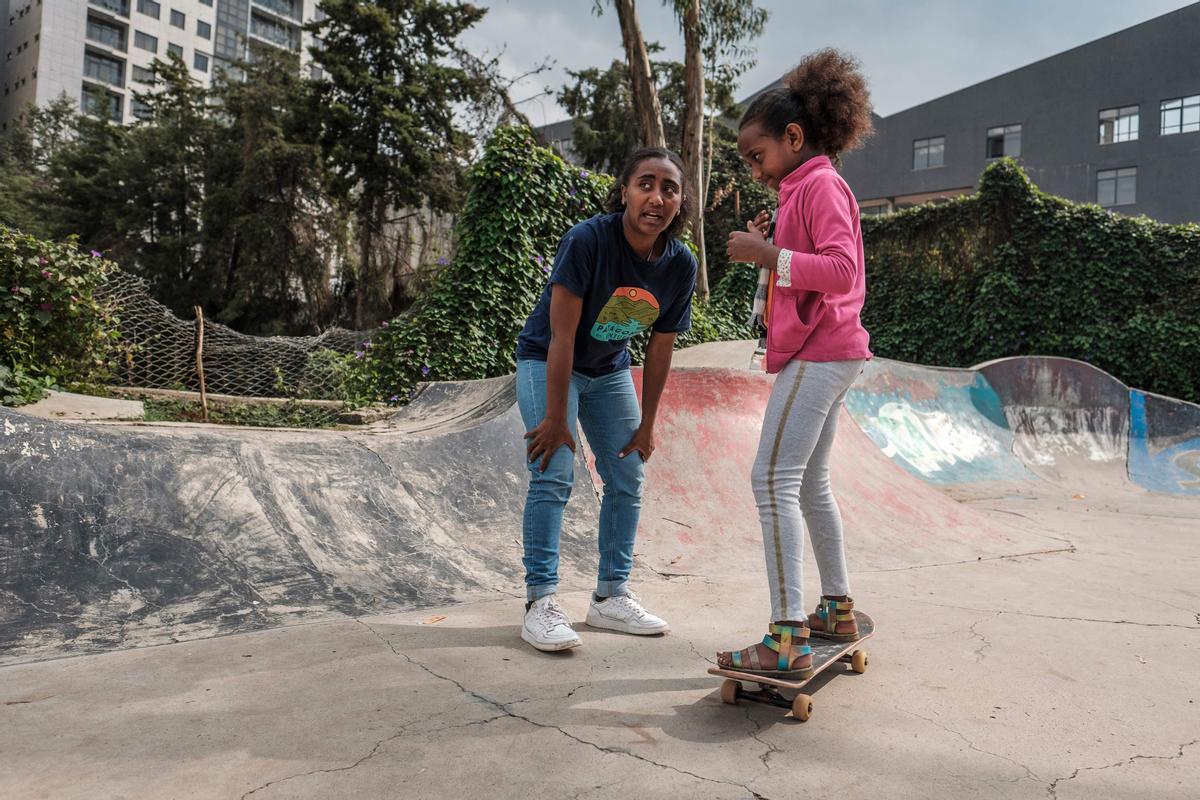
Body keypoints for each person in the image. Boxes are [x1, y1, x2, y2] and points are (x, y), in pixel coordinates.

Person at [717, 49, 875, 677]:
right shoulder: (804, 187)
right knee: (809, 482)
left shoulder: (820, 184)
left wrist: (765, 254)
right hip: (830, 351)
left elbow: (841, 272)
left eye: (757, 157)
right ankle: (835, 609)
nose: (754, 170)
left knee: (771, 480)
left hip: (820, 352)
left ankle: (786, 638)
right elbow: (810, 261)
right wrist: (776, 241)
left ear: (793, 137)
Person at [513, 147, 698, 652]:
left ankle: (610, 596)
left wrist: (648, 425)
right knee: (553, 468)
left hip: (610, 370)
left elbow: (660, 349)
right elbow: (561, 337)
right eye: (646, 184)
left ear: (680, 203)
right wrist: (556, 416)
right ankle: (540, 602)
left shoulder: (680, 264)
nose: (656, 197)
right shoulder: (588, 240)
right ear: (624, 192)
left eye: (669, 188)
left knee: (628, 473)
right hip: (549, 360)